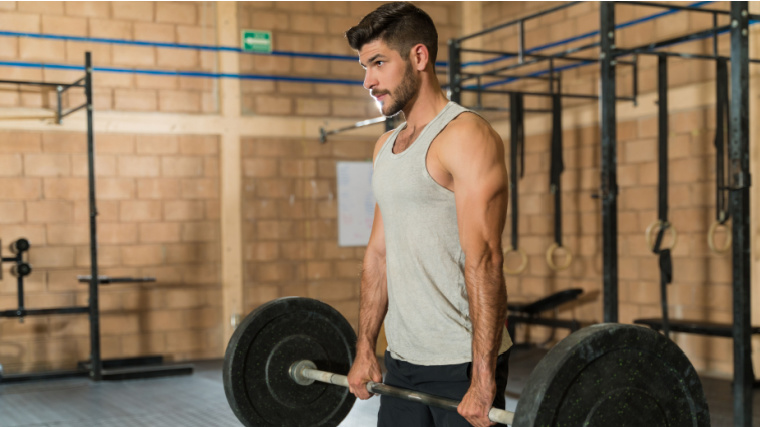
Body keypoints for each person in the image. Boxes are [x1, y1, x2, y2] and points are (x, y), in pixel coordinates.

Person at [344, 3, 512, 427]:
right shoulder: (385, 147)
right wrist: (365, 347)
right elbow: (377, 257)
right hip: (401, 360)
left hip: (461, 364)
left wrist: (483, 378)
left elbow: (486, 259)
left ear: (419, 57)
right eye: (365, 66)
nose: (369, 81)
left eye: (379, 63)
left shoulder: (466, 136)